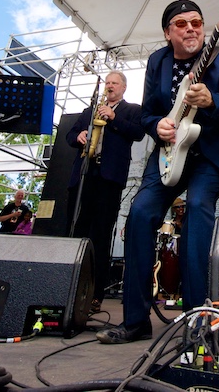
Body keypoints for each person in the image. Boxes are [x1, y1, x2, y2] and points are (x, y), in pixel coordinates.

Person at [96, 0, 219, 344]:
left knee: (197, 210)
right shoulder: (157, 61)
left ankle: (197, 319)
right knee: (139, 214)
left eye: (197, 22)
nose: (191, 28)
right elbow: (149, 113)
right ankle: (135, 321)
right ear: (168, 33)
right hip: (168, 151)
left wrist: (213, 100)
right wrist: (157, 127)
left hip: (209, 154)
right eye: (181, 24)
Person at [67, 70, 145, 313]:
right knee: (75, 230)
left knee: (100, 236)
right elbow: (69, 136)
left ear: (123, 88)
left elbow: (138, 133)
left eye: (114, 83)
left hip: (109, 177)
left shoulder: (132, 109)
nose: (110, 86)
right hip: (84, 175)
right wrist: (78, 135)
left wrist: (113, 117)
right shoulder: (89, 110)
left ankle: (94, 293)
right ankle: (69, 288)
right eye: (107, 83)